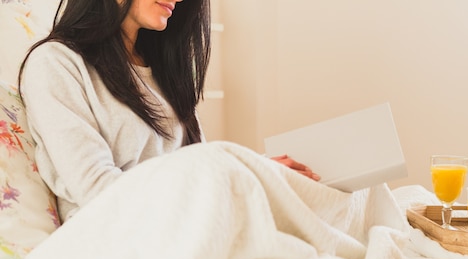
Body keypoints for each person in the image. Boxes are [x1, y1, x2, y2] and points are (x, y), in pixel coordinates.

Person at [18, 0, 319, 223]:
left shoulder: (163, 71)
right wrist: (241, 177)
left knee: (328, 199)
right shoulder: (55, 63)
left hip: (188, 225)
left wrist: (258, 171)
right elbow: (98, 191)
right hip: (118, 237)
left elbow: (197, 165)